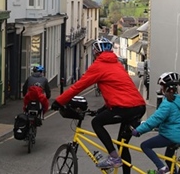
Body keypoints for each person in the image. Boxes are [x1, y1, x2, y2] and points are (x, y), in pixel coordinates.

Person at [51, 37, 146, 172]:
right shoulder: (117, 64)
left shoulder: (99, 65)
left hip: (125, 108)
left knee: (97, 123)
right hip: (138, 107)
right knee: (123, 145)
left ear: (96, 52)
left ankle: (113, 158)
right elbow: (117, 91)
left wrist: (59, 101)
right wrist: (102, 110)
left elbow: (78, 86)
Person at [131, 72, 180, 174]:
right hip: (179, 135)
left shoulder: (167, 104)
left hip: (170, 136)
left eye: (162, 86)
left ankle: (161, 168)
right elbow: (168, 119)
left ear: (166, 88)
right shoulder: (179, 101)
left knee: (145, 145)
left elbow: (156, 119)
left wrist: (138, 131)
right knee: (168, 158)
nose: (161, 88)